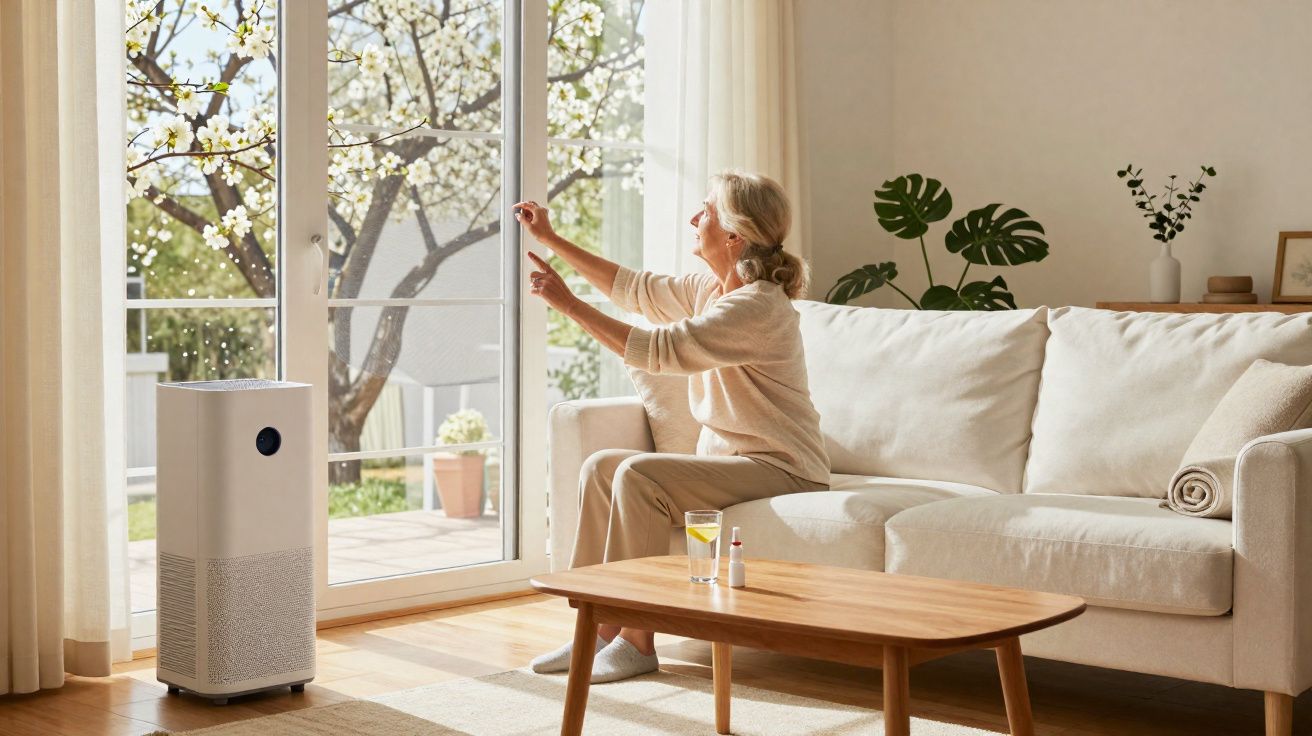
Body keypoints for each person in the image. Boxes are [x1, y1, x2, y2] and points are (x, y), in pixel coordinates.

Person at [516, 171, 830, 683]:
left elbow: (661, 351)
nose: (693, 218)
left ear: (734, 234)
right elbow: (634, 290)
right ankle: (594, 631)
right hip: (732, 462)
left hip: (783, 467)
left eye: (705, 210)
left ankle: (637, 640)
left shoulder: (756, 306)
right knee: (601, 468)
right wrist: (551, 240)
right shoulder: (713, 289)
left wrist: (567, 303)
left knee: (639, 476)